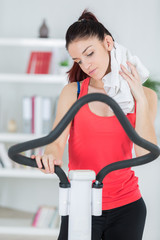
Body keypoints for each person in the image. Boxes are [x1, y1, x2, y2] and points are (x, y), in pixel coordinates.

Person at [31, 9, 158, 240]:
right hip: (80, 204)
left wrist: (139, 97)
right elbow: (56, 143)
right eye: (78, 60)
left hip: (128, 207)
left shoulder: (147, 96)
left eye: (89, 53)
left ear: (108, 43)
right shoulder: (74, 93)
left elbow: (145, 151)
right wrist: (49, 156)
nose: (86, 65)